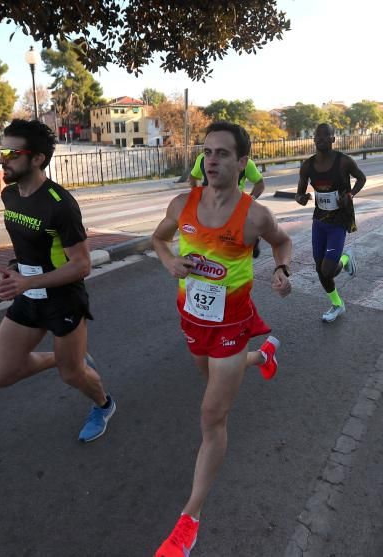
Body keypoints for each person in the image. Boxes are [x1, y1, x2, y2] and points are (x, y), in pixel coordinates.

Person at [152, 121, 293, 557]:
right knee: (209, 374)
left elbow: (282, 243)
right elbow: (157, 239)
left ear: (242, 162)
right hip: (193, 321)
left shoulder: (254, 215)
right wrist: (170, 261)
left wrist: (281, 269)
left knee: (212, 416)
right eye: (207, 152)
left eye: (223, 153)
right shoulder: (182, 204)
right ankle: (263, 356)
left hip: (233, 324)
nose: (212, 160)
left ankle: (189, 519)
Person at [0, 119, 116, 443]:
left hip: (63, 299)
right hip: (28, 294)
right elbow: (31, 247)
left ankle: (103, 405)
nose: (3, 159)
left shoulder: (61, 205)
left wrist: (29, 283)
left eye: (12, 153)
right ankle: (65, 358)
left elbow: (82, 265)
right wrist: (15, 270)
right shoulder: (9, 195)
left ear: (37, 159)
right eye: (3, 151)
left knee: (72, 375)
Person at [295, 123, 367, 321]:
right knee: (320, 269)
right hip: (319, 220)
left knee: (327, 270)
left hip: (339, 219)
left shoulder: (344, 162)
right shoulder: (308, 166)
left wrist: (350, 194)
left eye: (326, 136)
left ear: (333, 139)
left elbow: (361, 178)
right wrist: (301, 198)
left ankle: (345, 259)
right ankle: (337, 304)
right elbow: (299, 193)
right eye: (317, 136)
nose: (321, 139)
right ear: (313, 139)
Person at [190, 152, 266, 258]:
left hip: (235, 204)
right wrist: (197, 194)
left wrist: (249, 201)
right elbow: (193, 177)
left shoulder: (244, 163)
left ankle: (254, 237)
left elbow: (260, 183)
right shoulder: (202, 158)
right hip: (209, 203)